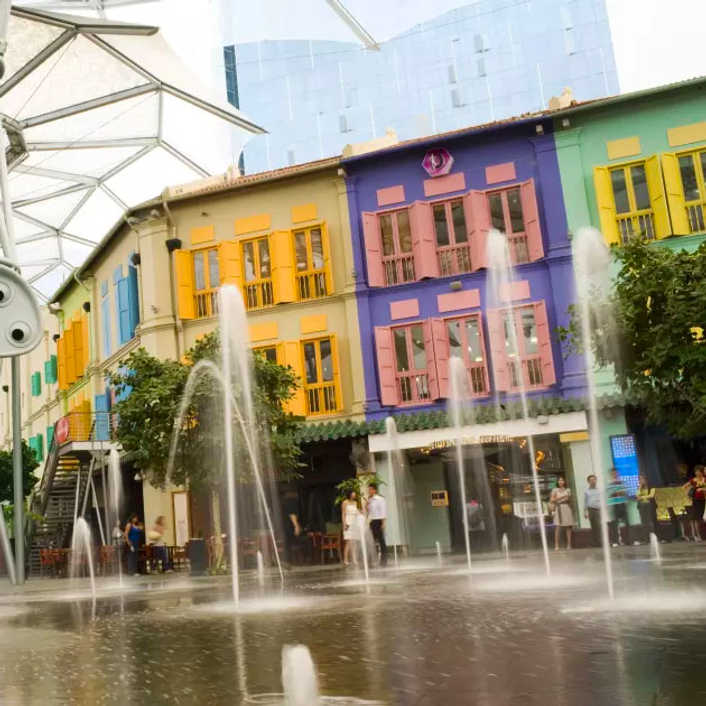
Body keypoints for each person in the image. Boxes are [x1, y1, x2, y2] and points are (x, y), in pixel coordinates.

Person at [606, 468, 633, 547]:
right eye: (613, 473)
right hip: (614, 505)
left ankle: (629, 541)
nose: (615, 474)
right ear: (611, 474)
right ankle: (615, 542)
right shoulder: (609, 483)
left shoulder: (622, 482)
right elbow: (610, 494)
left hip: (622, 504)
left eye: (616, 473)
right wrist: (618, 492)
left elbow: (625, 493)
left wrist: (619, 492)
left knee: (627, 523)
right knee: (614, 524)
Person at [549, 476, 574, 550]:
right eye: (559, 480)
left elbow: (569, 498)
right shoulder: (555, 490)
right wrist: (563, 496)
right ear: (557, 482)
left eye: (562, 480)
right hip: (558, 508)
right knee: (558, 527)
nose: (561, 482)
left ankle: (569, 545)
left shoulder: (568, 489)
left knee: (568, 527)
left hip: (567, 507)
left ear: (564, 481)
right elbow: (552, 500)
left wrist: (565, 497)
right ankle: (556, 545)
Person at [682, 465, 706, 541]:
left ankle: (701, 535)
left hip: (704, 500)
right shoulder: (694, 480)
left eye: (698, 471)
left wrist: (702, 489)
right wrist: (688, 495)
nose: (697, 473)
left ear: (702, 472)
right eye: (696, 471)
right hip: (696, 501)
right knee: (696, 518)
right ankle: (697, 536)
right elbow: (684, 486)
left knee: (701, 518)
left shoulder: (704, 479)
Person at [367, 482, 387, 567]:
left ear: (374, 490)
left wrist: (383, 522)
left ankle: (384, 560)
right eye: (368, 490)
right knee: (372, 541)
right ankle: (373, 560)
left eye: (370, 489)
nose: (369, 491)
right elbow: (370, 512)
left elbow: (383, 511)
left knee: (381, 540)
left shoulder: (380, 499)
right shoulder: (370, 500)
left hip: (379, 521)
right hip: (372, 521)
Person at [341, 489, 361, 566]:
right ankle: (345, 559)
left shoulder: (355, 503)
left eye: (355, 494)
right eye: (353, 494)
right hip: (348, 522)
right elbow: (343, 514)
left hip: (354, 523)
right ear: (350, 494)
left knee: (354, 542)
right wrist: (344, 524)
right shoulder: (345, 502)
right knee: (348, 542)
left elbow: (356, 512)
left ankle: (354, 559)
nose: (354, 495)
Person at [282, 489, 302, 564]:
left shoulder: (285, 502)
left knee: (287, 543)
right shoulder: (291, 501)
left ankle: (287, 560)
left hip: (286, 526)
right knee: (293, 543)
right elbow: (292, 514)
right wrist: (296, 526)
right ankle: (289, 561)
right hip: (290, 527)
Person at [636, 475, 658, 540]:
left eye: (641, 479)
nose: (640, 481)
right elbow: (637, 495)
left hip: (649, 505)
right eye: (639, 479)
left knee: (650, 521)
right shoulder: (640, 487)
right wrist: (640, 487)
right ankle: (646, 538)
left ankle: (653, 536)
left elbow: (651, 495)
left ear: (645, 479)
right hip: (642, 506)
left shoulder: (651, 486)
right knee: (644, 522)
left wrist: (642, 497)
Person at [583, 474, 602, 547]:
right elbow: (585, 502)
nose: (593, 481)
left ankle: (600, 543)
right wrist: (585, 512)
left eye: (594, 479)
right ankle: (595, 543)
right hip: (590, 510)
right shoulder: (587, 491)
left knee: (599, 526)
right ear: (588, 482)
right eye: (591, 480)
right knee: (593, 527)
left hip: (598, 510)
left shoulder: (599, 490)